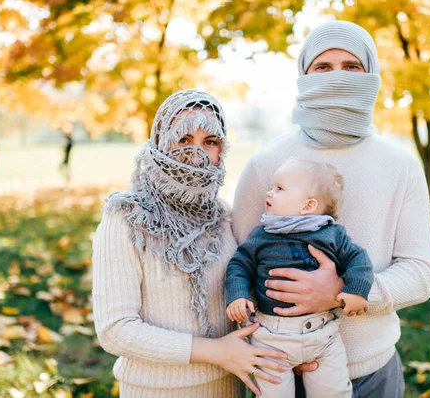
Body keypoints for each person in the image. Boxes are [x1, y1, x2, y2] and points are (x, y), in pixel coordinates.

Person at [232, 21, 430, 398]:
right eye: (323, 68)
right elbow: (239, 264)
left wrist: (341, 293)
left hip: (373, 372)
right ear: (303, 75)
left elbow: (420, 273)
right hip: (279, 370)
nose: (337, 78)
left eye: (352, 66)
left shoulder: (401, 165)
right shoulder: (267, 165)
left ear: (370, 75)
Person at [92, 90, 287, 398]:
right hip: (156, 391)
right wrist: (215, 352)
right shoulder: (126, 218)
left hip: (228, 387)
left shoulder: (223, 215)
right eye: (183, 139)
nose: (196, 153)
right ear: (160, 141)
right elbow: (115, 330)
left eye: (210, 141)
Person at [226, 159, 374, 398]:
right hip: (271, 339)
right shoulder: (262, 235)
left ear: (308, 206)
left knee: (334, 393)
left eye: (279, 189)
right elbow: (239, 265)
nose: (269, 192)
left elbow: (359, 260)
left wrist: (356, 291)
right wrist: (238, 294)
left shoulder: (331, 234)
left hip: (322, 335)